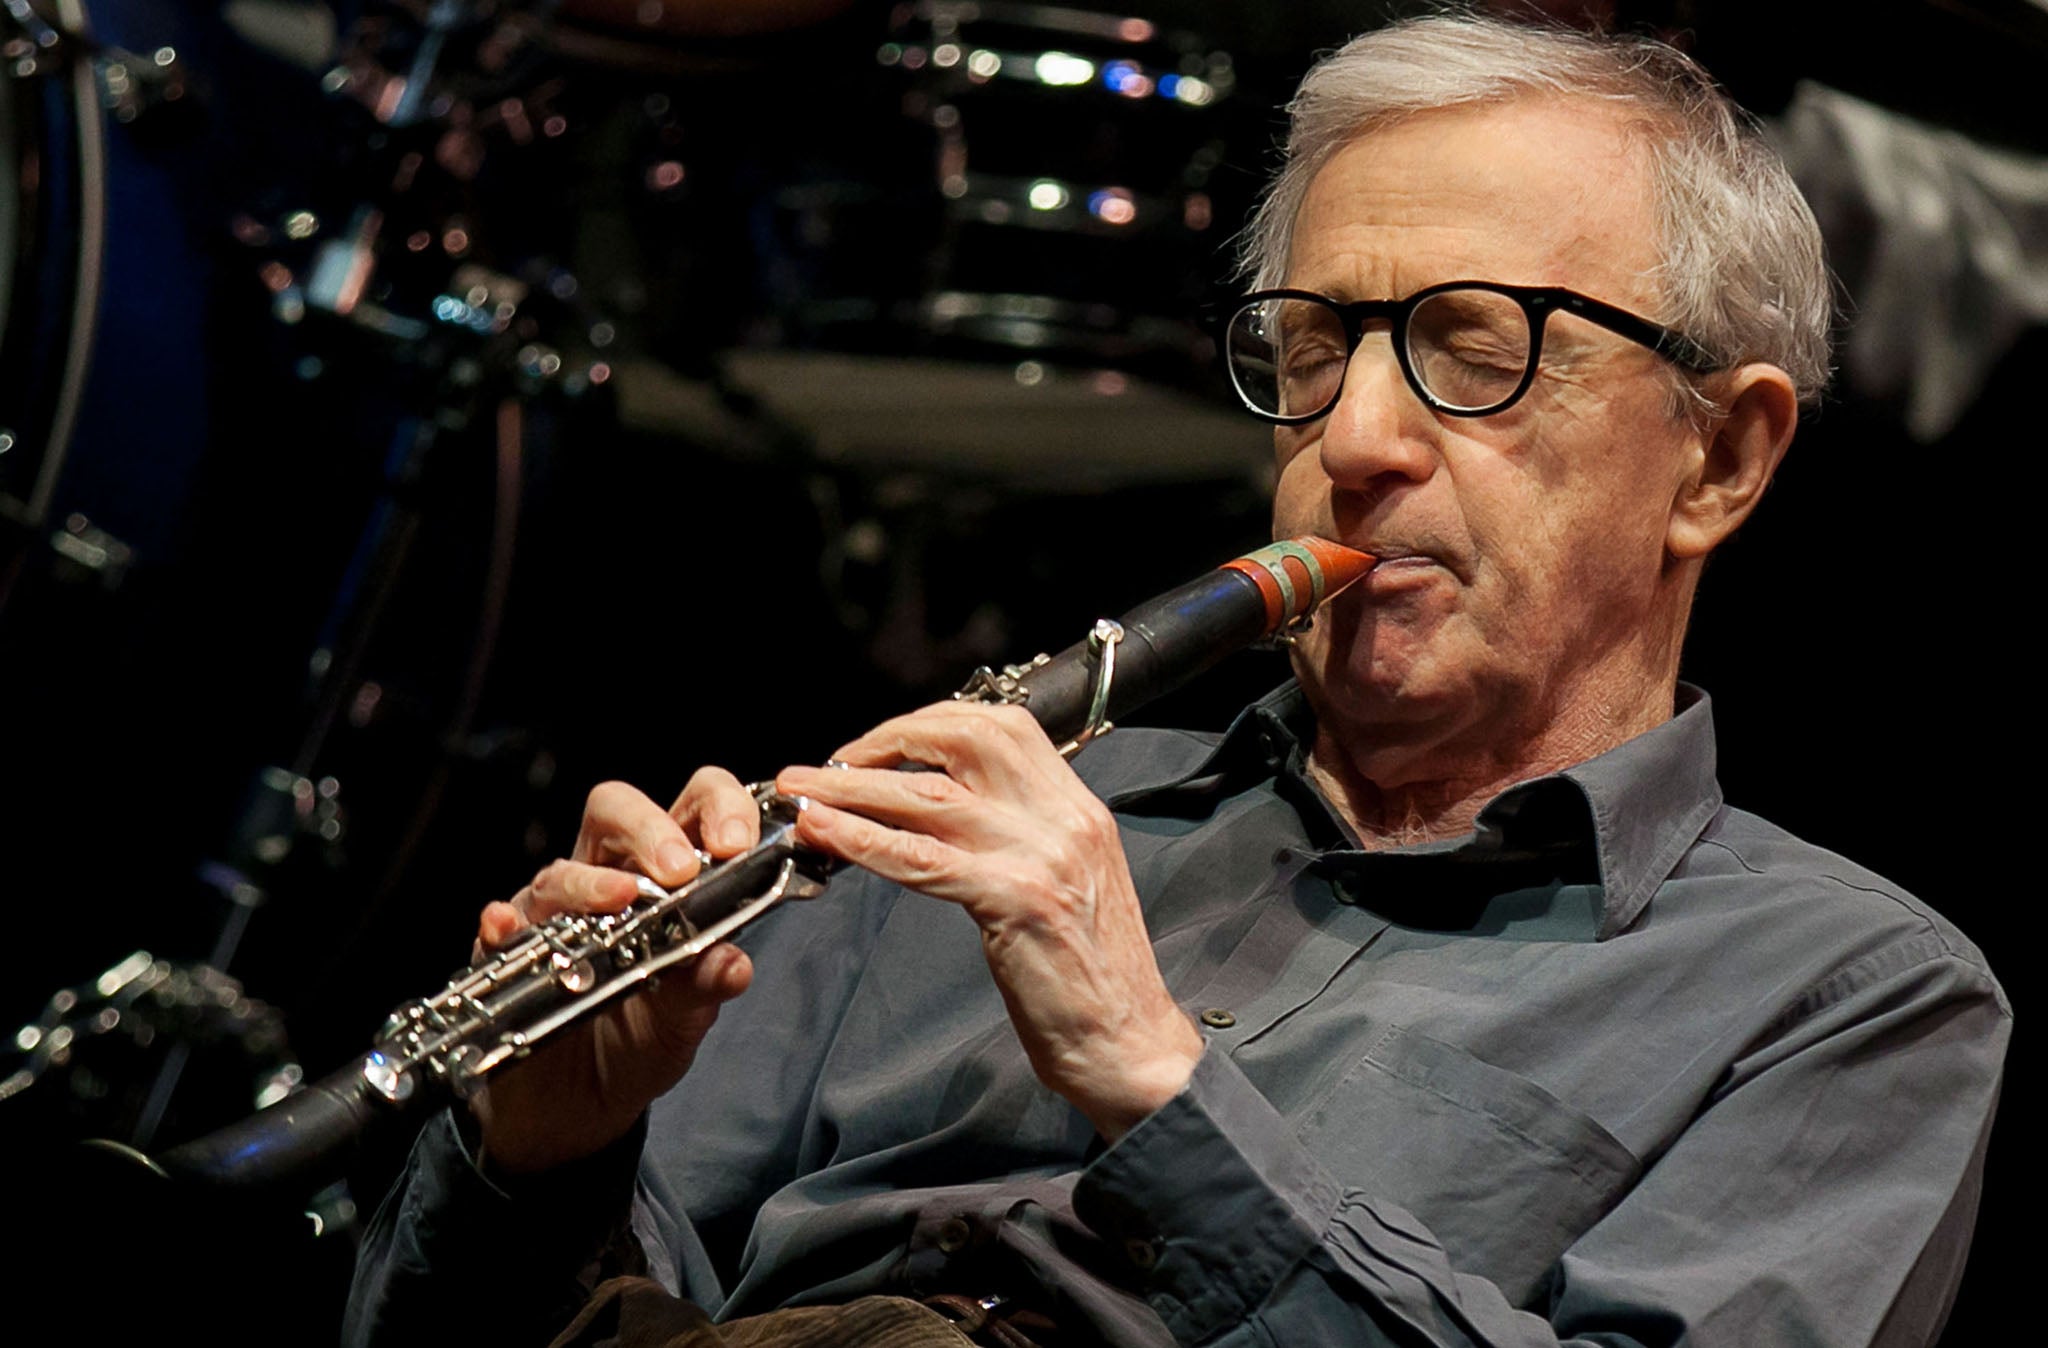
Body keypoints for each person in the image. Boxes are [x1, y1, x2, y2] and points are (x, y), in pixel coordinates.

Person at [346, 15, 2008, 1347]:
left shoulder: (1852, 1000)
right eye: (1310, 350)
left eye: (1476, 346)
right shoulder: (962, 836)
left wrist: (1157, 1078)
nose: (1352, 441)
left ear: (1719, 458)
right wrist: (540, 1156)